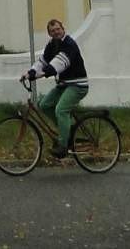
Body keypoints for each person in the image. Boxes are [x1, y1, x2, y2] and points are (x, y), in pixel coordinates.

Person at [22, 17, 89, 159]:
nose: (56, 32)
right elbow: (42, 61)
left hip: (77, 85)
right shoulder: (52, 45)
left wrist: (39, 75)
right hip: (64, 85)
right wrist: (30, 72)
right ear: (49, 34)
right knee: (44, 105)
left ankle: (63, 146)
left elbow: (59, 64)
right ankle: (67, 131)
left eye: (58, 29)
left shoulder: (69, 44)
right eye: (52, 31)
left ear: (63, 29)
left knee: (61, 110)